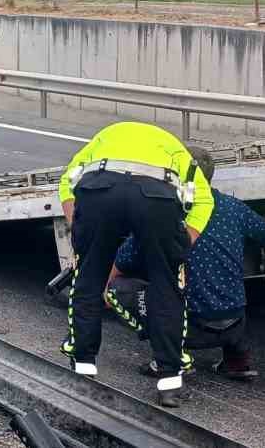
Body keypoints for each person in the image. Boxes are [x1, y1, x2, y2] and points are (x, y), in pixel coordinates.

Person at [57, 122, 214, 407]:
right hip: (156, 197)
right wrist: (177, 251)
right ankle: (169, 381)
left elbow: (68, 182)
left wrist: (78, 230)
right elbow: (203, 201)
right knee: (167, 288)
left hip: (100, 191)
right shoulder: (175, 149)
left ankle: (83, 365)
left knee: (88, 280)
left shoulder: (102, 138)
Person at [105, 149, 265, 382]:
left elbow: (124, 259)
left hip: (191, 328)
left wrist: (104, 287)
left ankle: (170, 359)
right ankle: (237, 360)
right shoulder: (234, 208)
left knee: (118, 289)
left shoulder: (163, 213)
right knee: (223, 288)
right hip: (234, 324)